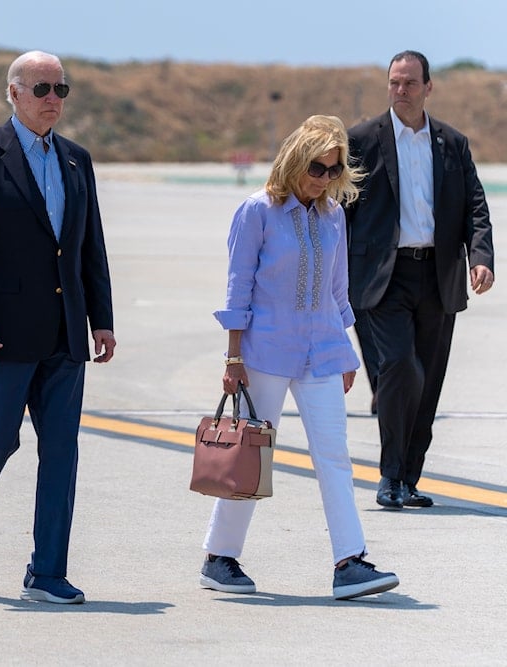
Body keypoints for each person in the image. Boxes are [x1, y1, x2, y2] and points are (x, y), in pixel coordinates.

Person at [0, 50, 116, 604]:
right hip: (4, 333)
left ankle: (47, 571)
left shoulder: (76, 160)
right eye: (42, 89)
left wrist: (101, 320)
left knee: (61, 451)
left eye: (62, 88)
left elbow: (90, 247)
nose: (53, 99)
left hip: (65, 334)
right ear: (13, 93)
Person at [201, 115, 400, 601]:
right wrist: (232, 358)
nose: (324, 179)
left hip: (323, 351)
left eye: (334, 171)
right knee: (253, 454)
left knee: (334, 456)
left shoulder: (333, 215)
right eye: (317, 168)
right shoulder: (257, 211)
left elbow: (337, 291)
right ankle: (220, 557)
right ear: (294, 160)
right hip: (264, 352)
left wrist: (346, 349)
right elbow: (238, 287)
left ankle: (349, 562)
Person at [346, 50, 494, 510]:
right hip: (382, 279)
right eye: (394, 82)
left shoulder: (452, 143)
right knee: (400, 369)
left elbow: (475, 206)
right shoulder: (361, 140)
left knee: (427, 382)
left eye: (410, 83)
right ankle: (389, 475)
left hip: (437, 275)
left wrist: (481, 257)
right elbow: (340, 212)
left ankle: (409, 478)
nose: (401, 91)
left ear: (429, 87)